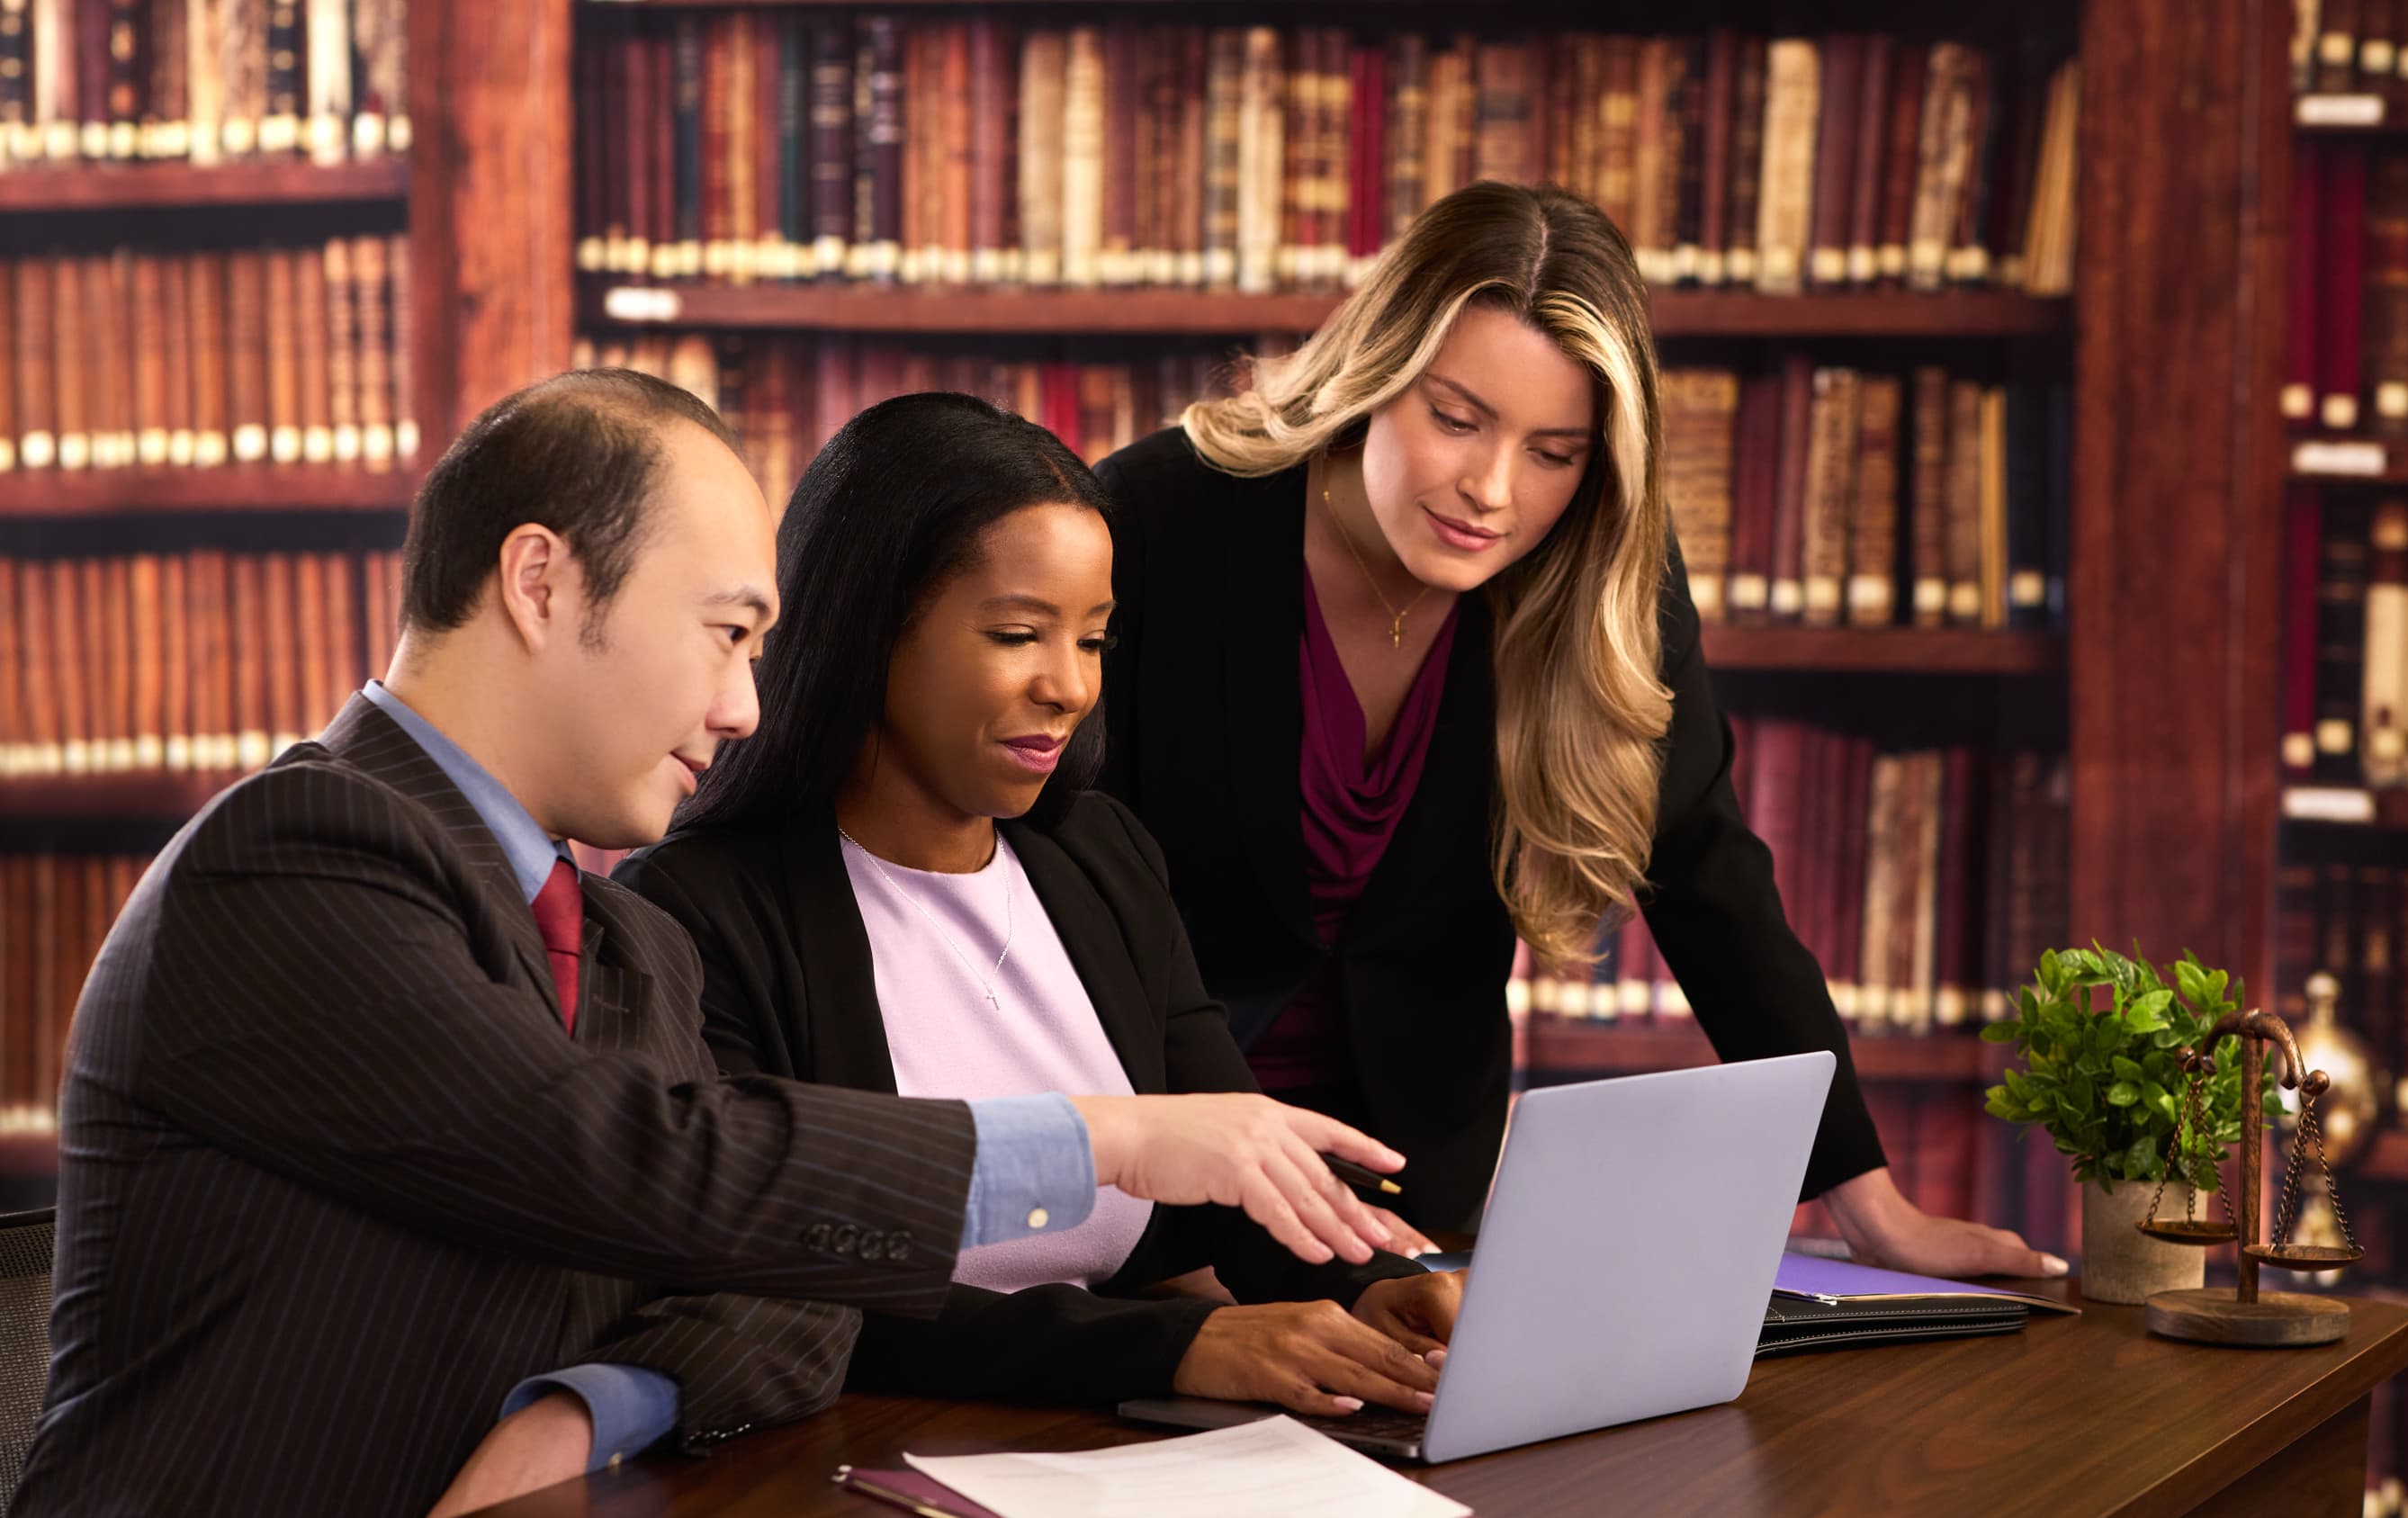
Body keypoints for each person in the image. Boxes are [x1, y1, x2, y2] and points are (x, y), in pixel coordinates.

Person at [18, 372, 1410, 1518]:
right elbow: (633, 1158)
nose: (747, 703)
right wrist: (1098, 1138)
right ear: (542, 582)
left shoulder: (622, 938)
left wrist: (586, 1410)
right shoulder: (300, 849)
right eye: (727, 633)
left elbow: (787, 1284)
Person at [1091, 181, 2067, 1277]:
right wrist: (1179, 1263)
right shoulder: (1154, 523)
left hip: (1411, 1188)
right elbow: (1056, 889)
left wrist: (1867, 1200)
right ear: (1374, 372)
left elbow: (1709, 876)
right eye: (1455, 419)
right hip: (1152, 1175)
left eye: (1553, 452)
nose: (1489, 491)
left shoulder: (1602, 578)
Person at [619, 392, 1459, 1422]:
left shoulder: (1100, 858)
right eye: (1020, 634)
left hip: (1111, 1442)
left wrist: (1370, 1287)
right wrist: (1177, 1345)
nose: (1069, 686)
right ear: (868, 627)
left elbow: (1236, 1169)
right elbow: (799, 1284)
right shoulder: (695, 912)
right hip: (854, 1452)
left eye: (1095, 641)